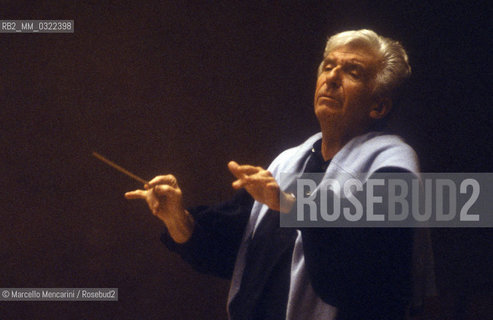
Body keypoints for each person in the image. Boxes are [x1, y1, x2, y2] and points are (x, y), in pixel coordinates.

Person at [125, 29, 433, 320]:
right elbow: (233, 255)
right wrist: (176, 218)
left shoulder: (394, 165)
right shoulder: (288, 163)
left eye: (353, 72)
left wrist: (289, 205)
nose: (332, 78)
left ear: (378, 107)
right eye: (327, 66)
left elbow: (365, 271)